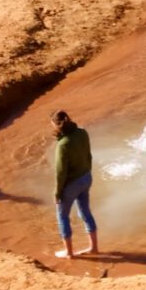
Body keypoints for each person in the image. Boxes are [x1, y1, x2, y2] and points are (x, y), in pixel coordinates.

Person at [51, 110, 98, 259]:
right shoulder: (82, 133)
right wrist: (87, 172)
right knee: (85, 211)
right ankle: (94, 247)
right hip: (86, 177)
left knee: (62, 216)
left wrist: (57, 193)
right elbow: (89, 155)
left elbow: (60, 172)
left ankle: (69, 253)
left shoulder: (63, 144)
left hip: (71, 184)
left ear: (56, 125)